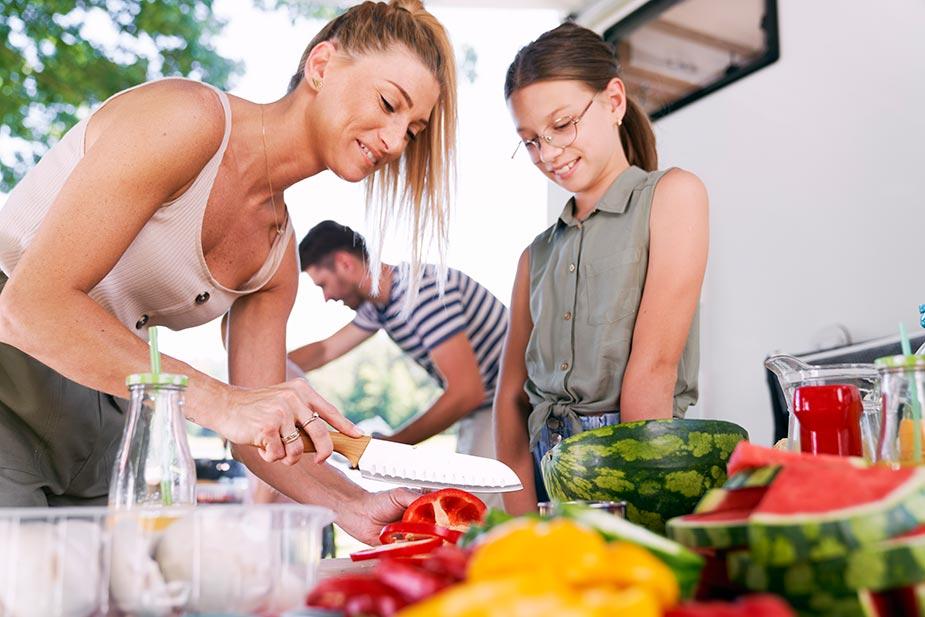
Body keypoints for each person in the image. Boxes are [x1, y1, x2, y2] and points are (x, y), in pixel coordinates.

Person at [0, 0, 456, 544]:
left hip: (111, 403)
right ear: (321, 65)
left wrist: (355, 505)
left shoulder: (276, 257)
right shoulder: (188, 119)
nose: (393, 141)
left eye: (412, 130)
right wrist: (223, 403)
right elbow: (30, 306)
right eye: (388, 104)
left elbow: (254, 433)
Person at [494, 22, 709, 515]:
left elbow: (652, 371)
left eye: (563, 124)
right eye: (530, 140)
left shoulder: (673, 196)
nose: (547, 153)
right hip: (546, 479)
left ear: (614, 101)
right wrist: (524, 527)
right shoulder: (535, 257)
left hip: (636, 466)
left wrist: (636, 518)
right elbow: (510, 402)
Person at [290, 220, 509, 465]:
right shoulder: (382, 305)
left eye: (323, 284)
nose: (327, 297)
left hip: (512, 402)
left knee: (481, 499)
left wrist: (392, 445)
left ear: (345, 263)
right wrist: (258, 371)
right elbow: (324, 350)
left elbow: (466, 392)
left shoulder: (419, 293)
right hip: (487, 406)